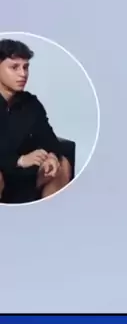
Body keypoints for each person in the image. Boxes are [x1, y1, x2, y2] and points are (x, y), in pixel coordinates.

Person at [0, 38, 72, 203]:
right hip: (5, 170)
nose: (23, 74)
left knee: (62, 164)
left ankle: (49, 215)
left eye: (26, 67)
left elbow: (49, 138)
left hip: (24, 177)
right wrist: (19, 160)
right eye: (14, 67)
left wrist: (52, 156)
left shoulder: (31, 103)